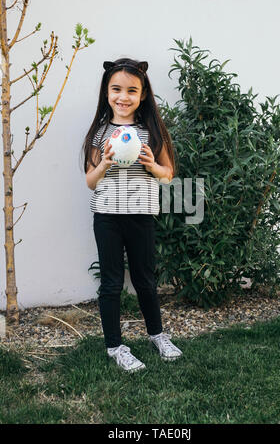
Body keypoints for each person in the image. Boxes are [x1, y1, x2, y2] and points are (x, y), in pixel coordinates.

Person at [81, 58, 182, 372]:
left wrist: (152, 165)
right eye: (116, 89)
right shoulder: (100, 133)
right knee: (111, 284)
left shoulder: (150, 131)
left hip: (141, 215)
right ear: (107, 92)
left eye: (131, 91)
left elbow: (168, 176)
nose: (123, 97)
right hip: (108, 217)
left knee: (145, 281)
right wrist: (105, 164)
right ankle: (115, 346)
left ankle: (158, 335)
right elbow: (90, 181)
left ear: (143, 95)